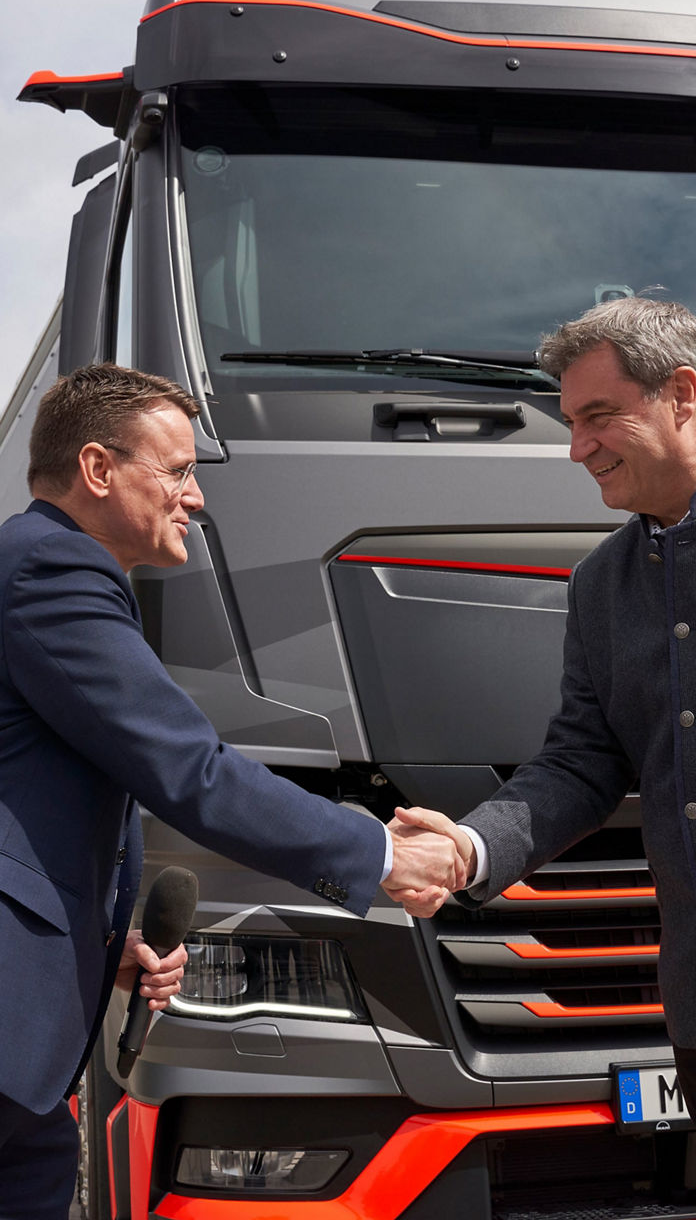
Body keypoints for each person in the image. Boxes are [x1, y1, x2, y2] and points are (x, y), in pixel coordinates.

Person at [0, 362, 463, 1219]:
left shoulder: (38, 566)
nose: (197, 498)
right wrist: (381, 855)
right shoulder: (52, 571)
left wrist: (106, 939)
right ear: (98, 471)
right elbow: (190, 772)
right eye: (176, 471)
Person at [392, 296, 696, 1197]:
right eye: (571, 423)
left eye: (597, 417)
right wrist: (467, 846)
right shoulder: (601, 586)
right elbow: (581, 762)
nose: (577, 447)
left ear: (682, 393)